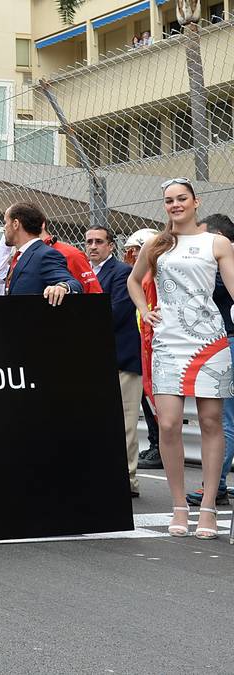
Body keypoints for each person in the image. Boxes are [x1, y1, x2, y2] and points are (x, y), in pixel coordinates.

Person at [127, 178, 233, 539]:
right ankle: (178, 507)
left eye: (182, 199)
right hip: (168, 342)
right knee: (169, 424)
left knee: (210, 422)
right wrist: (145, 308)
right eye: (169, 200)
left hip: (210, 343)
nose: (175, 205)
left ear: (196, 201)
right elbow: (133, 280)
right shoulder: (157, 244)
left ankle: (206, 509)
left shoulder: (216, 243)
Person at [86, 225, 142, 498]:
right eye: (89, 242)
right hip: (96, 358)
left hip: (123, 356)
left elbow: (117, 311)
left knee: (126, 420)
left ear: (111, 246)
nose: (93, 246)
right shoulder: (85, 274)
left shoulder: (121, 273)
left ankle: (128, 477)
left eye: (99, 242)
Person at [186, 213, 234, 507]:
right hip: (223, 341)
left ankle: (213, 485)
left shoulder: (221, 268)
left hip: (228, 341)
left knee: (223, 418)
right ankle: (220, 483)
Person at [125, 228, 165, 470]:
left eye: (136, 250)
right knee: (147, 397)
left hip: (156, 342)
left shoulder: (154, 275)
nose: (132, 256)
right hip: (145, 340)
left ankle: (160, 445)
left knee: (156, 398)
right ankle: (156, 443)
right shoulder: (141, 276)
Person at [1, 202, 83, 303]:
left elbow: (73, 283)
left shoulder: (45, 255)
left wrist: (62, 287)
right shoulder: (21, 255)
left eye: (5, 222)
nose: (4, 228)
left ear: (16, 224)